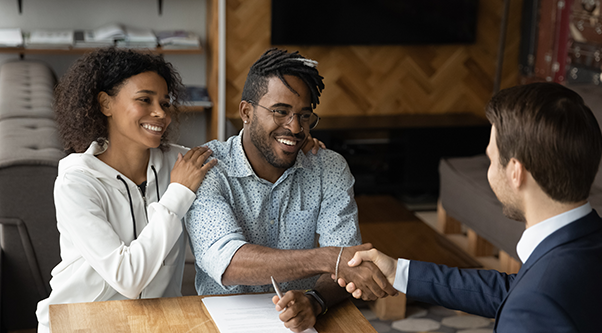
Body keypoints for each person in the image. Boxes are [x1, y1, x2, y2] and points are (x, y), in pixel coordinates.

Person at [338, 82, 602, 332]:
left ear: (516, 172)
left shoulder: (533, 307)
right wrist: (398, 272)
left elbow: (530, 298)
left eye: (491, 160)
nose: (489, 170)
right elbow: (514, 290)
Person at [185, 48, 396, 332]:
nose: (296, 128)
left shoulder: (328, 168)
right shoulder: (208, 168)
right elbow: (228, 262)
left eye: (304, 115)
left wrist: (316, 301)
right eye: (281, 112)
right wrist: (329, 259)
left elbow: (349, 265)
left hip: (306, 324)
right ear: (246, 112)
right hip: (221, 322)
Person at [35, 47, 218, 332]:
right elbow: (128, 278)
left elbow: (236, 158)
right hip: (81, 322)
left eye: (165, 102)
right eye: (144, 100)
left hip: (155, 322)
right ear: (106, 104)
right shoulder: (77, 182)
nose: (160, 113)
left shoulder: (179, 163)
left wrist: (300, 148)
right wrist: (178, 194)